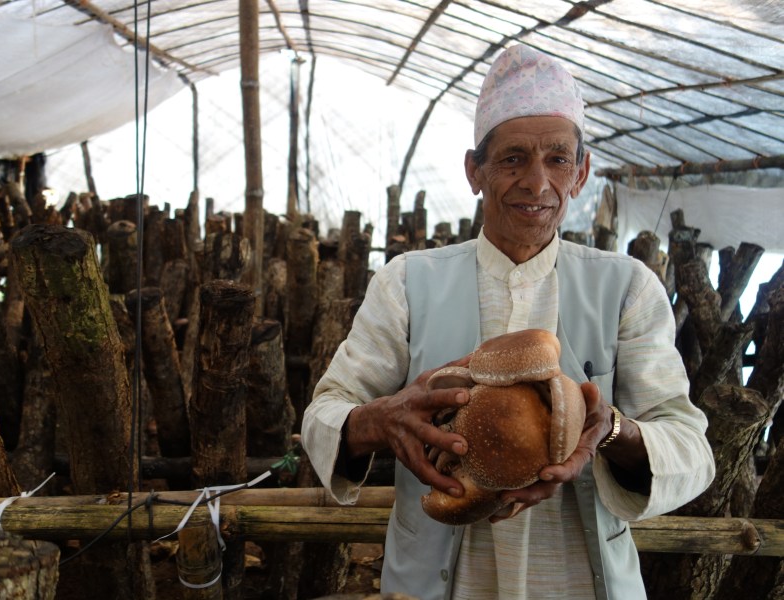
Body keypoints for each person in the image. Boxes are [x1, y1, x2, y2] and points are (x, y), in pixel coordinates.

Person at [301, 44, 715, 600]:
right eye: (513, 158)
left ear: (581, 172)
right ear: (475, 171)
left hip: (580, 584)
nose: (537, 183)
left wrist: (609, 430)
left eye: (558, 159)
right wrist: (381, 420)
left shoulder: (626, 287)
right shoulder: (406, 281)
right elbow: (324, 414)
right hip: (435, 583)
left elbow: (690, 446)